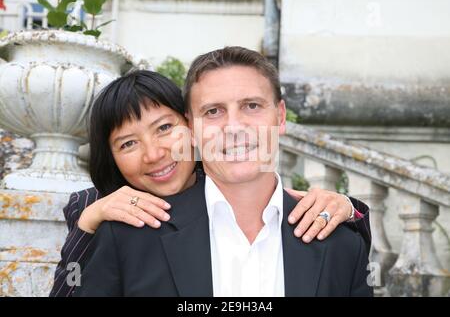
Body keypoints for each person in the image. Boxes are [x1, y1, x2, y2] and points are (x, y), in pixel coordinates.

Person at [75, 47, 372, 297]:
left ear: (280, 116)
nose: (233, 127)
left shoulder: (342, 244)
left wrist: (350, 209)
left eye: (252, 105)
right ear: (191, 127)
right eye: (213, 111)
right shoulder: (127, 236)